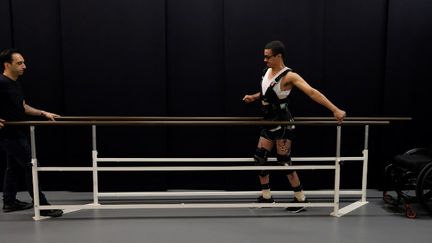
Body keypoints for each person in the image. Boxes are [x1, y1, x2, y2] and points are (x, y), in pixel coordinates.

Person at [243, 40, 346, 212]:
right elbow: (266, 92)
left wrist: (335, 110)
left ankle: (301, 199)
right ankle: (267, 196)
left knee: (284, 163)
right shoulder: (266, 71)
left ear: (279, 56)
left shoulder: (290, 76)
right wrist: (254, 97)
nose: (265, 60)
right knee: (259, 158)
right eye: (264, 56)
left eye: (268, 57)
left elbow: (312, 92)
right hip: (268, 122)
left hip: (283, 123)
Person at [0, 48, 63, 217]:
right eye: (19, 63)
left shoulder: (14, 83)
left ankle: (9, 201)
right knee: (32, 166)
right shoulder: (1, 82)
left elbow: (23, 107)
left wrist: (43, 113)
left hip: (16, 132)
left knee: (12, 167)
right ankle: (42, 206)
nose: (24, 66)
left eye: (23, 62)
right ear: (7, 65)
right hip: (8, 135)